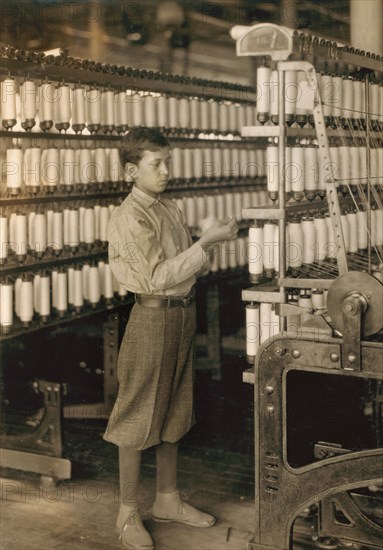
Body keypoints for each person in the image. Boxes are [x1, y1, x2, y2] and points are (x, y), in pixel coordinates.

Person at [104, 127, 238, 550]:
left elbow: (186, 269)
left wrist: (207, 241)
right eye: (156, 164)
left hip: (181, 316)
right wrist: (205, 242)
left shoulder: (168, 206)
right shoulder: (130, 217)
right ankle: (127, 514)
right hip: (152, 318)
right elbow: (156, 278)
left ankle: (166, 499)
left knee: (175, 407)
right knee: (138, 414)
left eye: (168, 162)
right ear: (131, 170)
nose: (166, 171)